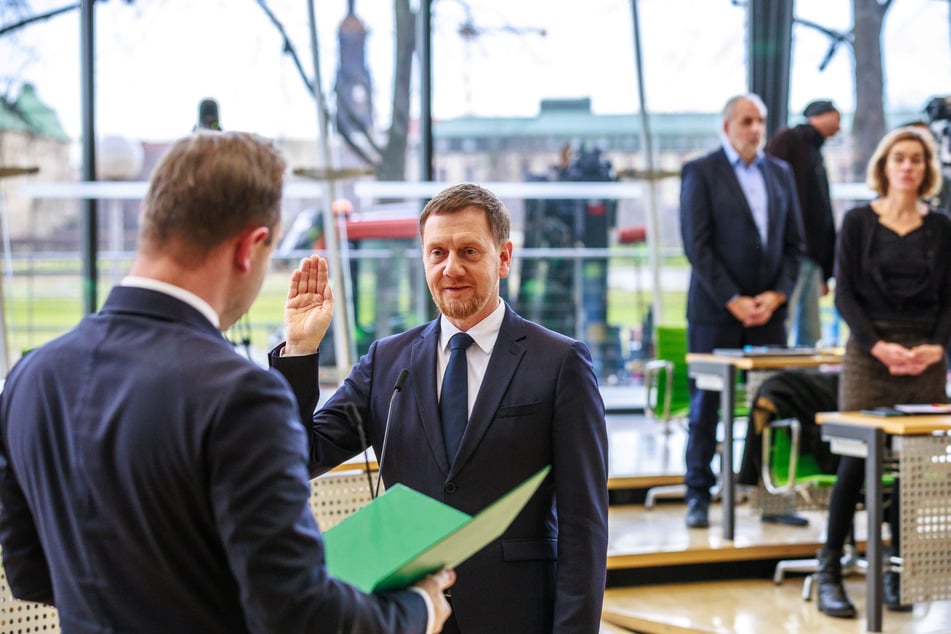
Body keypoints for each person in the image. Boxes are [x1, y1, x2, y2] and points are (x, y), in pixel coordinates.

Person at [0, 131, 454, 634]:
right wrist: (420, 609)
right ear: (250, 246)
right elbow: (301, 614)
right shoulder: (240, 395)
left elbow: (29, 572)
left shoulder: (30, 377)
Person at [274, 183, 609, 633]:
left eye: (469, 251)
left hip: (515, 614)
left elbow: (583, 526)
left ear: (504, 258)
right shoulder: (386, 360)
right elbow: (300, 454)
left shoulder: (560, 362)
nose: (451, 268)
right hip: (408, 613)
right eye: (437, 253)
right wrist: (299, 350)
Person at [816, 126, 951, 619]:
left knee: (912, 467)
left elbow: (949, 299)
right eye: (900, 158)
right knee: (856, 463)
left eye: (917, 159)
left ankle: (899, 572)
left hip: (925, 360)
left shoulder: (941, 228)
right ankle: (830, 569)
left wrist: (935, 347)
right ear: (884, 166)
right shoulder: (856, 221)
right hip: (868, 357)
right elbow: (845, 293)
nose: (908, 166)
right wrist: (880, 347)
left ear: (926, 169)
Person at [679, 93, 803, 529]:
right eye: (747, 121)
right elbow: (697, 245)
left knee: (775, 401)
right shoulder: (701, 171)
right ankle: (698, 493)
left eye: (761, 121)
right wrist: (733, 299)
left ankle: (771, 496)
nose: (756, 129)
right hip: (715, 311)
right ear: (727, 127)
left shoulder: (781, 173)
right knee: (705, 406)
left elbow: (795, 247)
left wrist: (777, 296)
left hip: (770, 312)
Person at [766, 99, 841, 347]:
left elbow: (820, 209)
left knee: (810, 331)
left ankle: (803, 381)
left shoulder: (813, 149)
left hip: (812, 256)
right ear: (822, 115)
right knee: (783, 323)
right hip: (794, 253)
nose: (839, 127)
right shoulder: (791, 140)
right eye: (837, 118)